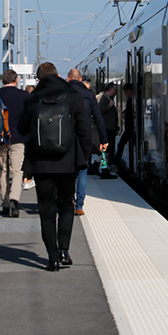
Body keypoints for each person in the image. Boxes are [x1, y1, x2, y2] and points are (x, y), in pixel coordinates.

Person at [19, 62, 92, 271]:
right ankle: (64, 251)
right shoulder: (73, 96)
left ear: (39, 79)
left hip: (41, 164)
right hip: (68, 163)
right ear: (58, 76)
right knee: (66, 204)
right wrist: (83, 157)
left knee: (46, 209)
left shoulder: (33, 98)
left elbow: (22, 129)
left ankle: (52, 257)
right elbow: (85, 131)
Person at [0, 69, 29, 217]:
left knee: (3, 171)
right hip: (18, 139)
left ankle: (4, 203)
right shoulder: (24, 96)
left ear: (3, 81)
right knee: (17, 171)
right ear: (16, 80)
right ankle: (14, 199)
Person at [66, 68, 107, 216]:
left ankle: (69, 199)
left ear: (68, 79)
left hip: (67, 136)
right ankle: (79, 206)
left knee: (69, 169)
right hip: (85, 136)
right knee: (83, 169)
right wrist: (103, 139)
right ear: (80, 79)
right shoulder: (89, 94)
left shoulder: (64, 93)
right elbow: (98, 117)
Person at [97, 83, 119, 179]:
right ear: (110, 90)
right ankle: (101, 168)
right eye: (115, 90)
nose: (116, 93)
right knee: (106, 151)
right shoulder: (104, 98)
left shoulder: (106, 98)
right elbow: (99, 111)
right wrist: (109, 106)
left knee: (106, 151)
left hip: (109, 128)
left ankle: (101, 167)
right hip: (107, 129)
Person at [113, 82, 135, 170]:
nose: (125, 94)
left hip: (130, 128)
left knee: (120, 144)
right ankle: (114, 163)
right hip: (129, 127)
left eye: (125, 92)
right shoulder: (130, 100)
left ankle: (115, 163)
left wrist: (126, 115)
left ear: (130, 91)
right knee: (121, 144)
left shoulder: (133, 101)